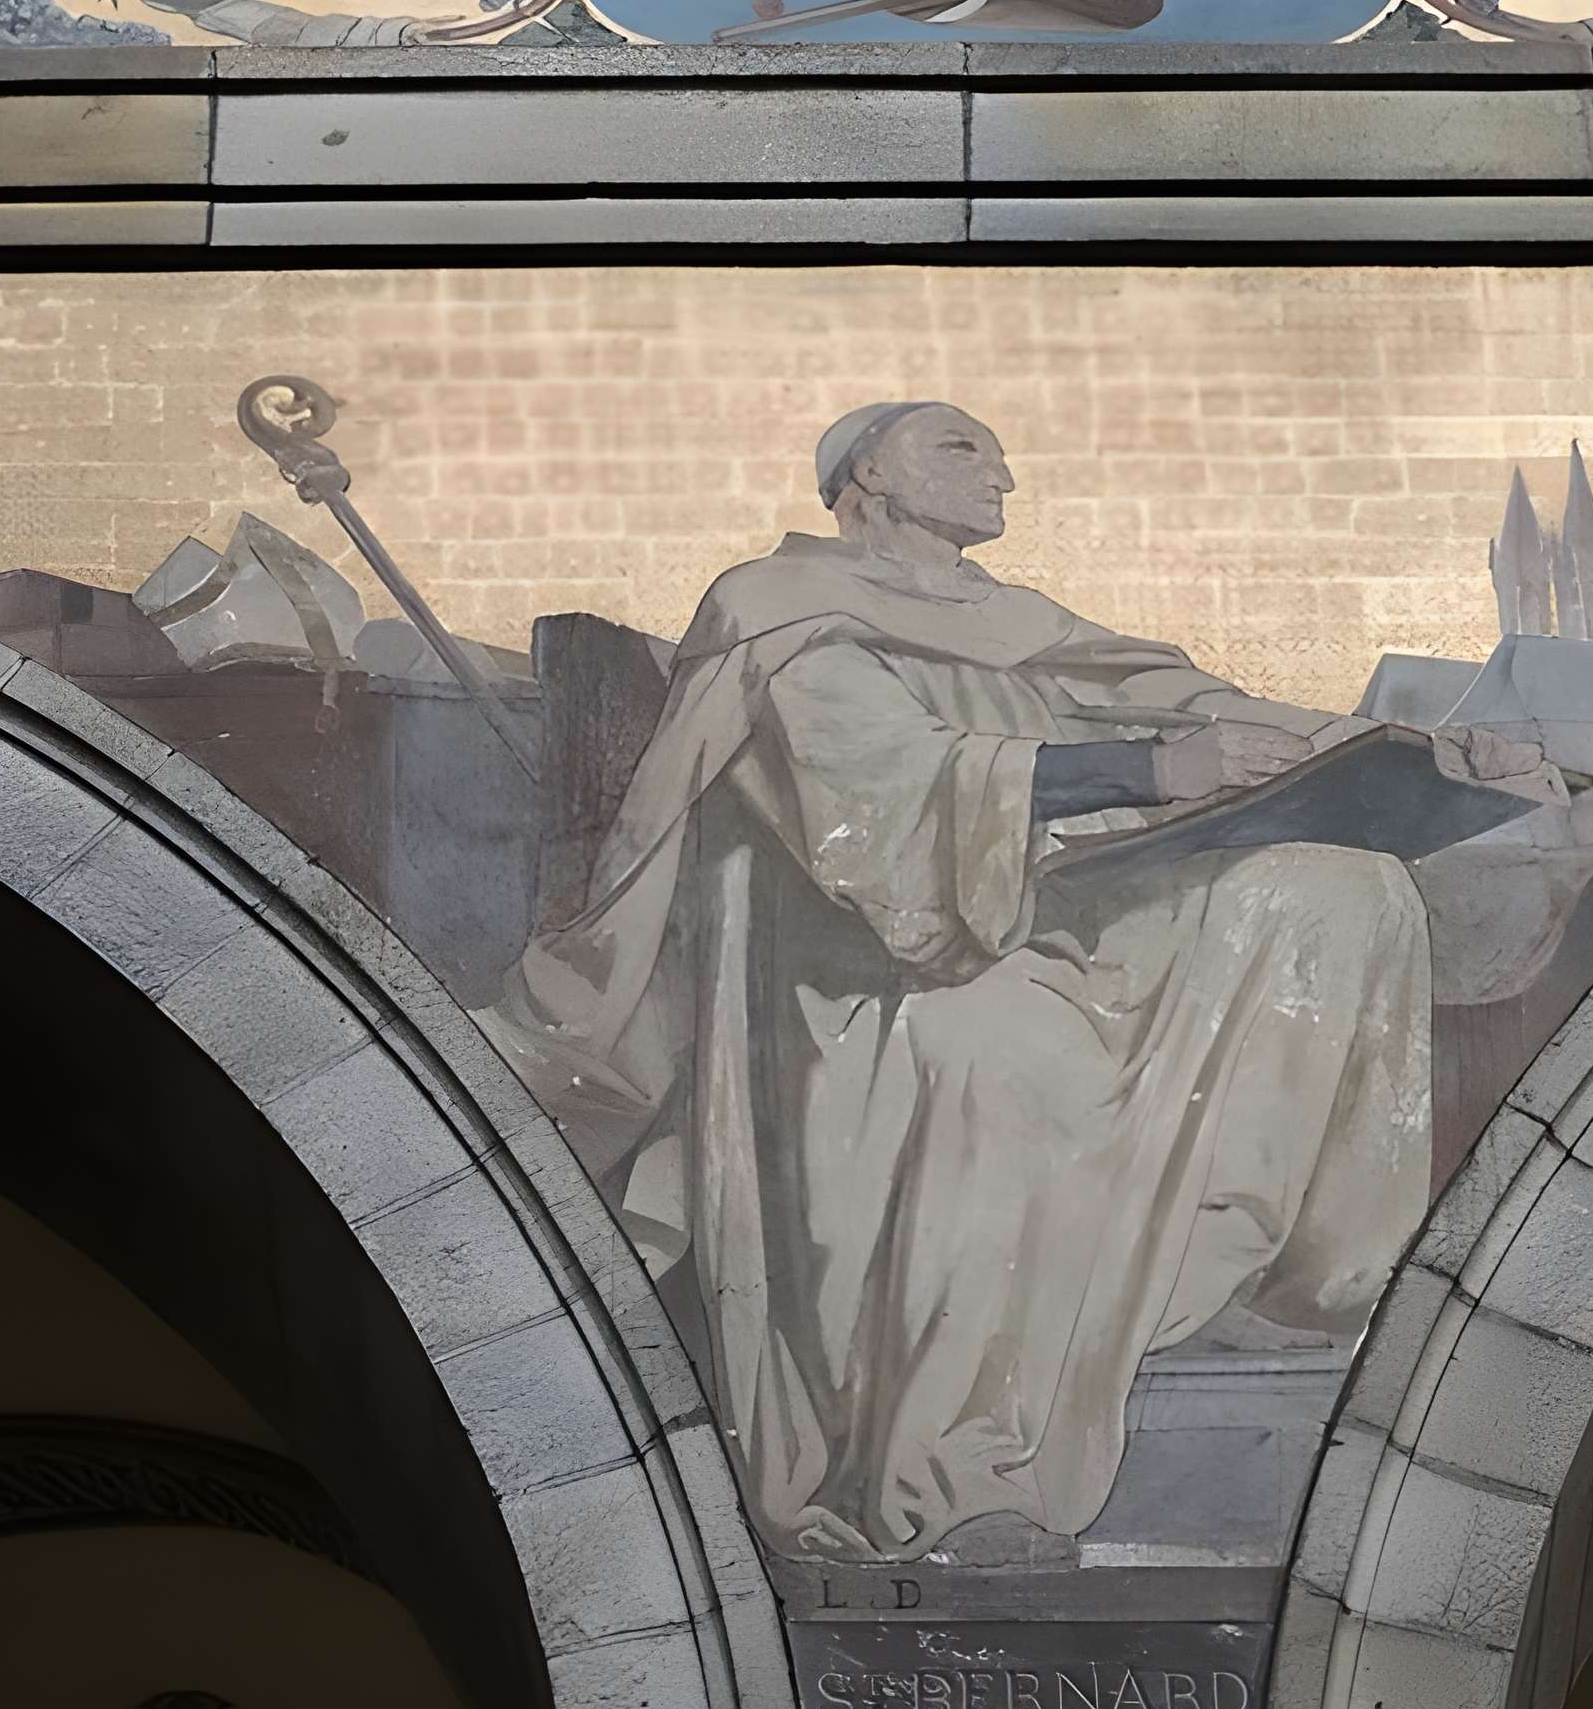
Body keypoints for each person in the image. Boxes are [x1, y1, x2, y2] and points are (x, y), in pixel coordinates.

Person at [474, 402, 1473, 1561]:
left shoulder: (1014, 620)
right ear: (866, 470)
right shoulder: (773, 608)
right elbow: (875, 794)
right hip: (855, 972)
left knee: (1353, 891)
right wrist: (1151, 767)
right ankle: (953, 1458)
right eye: (962, 445)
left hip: (1037, 920)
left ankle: (1247, 1277)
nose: (1001, 470)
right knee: (1002, 1056)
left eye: (998, 450)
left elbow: (1190, 700)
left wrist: (1412, 749)